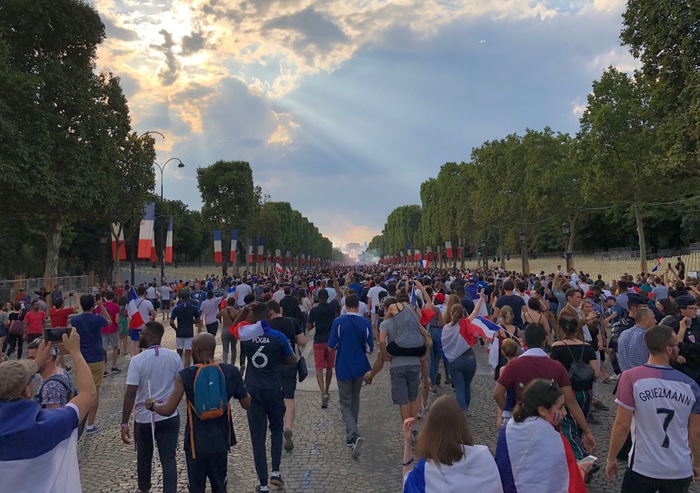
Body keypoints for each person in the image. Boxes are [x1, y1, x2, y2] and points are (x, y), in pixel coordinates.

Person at [148, 332, 251, 493]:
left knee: (196, 489)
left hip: (195, 446)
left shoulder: (186, 375)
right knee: (220, 487)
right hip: (221, 443)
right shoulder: (230, 371)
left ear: (195, 349)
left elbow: (168, 410)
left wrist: (153, 405)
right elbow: (246, 404)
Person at [0, 329, 96, 493]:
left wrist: (35, 364)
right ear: (27, 391)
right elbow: (88, 393)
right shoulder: (50, 425)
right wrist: (76, 352)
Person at [605, 324, 700, 491]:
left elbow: (622, 425)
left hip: (643, 467)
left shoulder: (631, 378)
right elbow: (696, 432)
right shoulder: (690, 385)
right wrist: (696, 463)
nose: (679, 348)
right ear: (668, 350)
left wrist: (611, 458)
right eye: (677, 345)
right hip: (679, 468)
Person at [493, 324, 596, 454]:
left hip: (522, 426)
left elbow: (497, 394)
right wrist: (586, 431)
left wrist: (515, 412)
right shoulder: (557, 367)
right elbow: (570, 400)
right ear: (545, 341)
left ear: (524, 342)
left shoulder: (513, 366)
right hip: (549, 426)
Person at [233, 302, 296, 493]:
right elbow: (292, 360)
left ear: (252, 317)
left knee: (257, 437)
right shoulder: (278, 337)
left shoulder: (246, 336)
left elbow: (233, 327)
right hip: (274, 387)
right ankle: (276, 472)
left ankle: (262, 484)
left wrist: (245, 311)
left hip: (253, 389)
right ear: (269, 314)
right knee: (276, 430)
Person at [495, 379, 591, 492]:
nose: (565, 412)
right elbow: (569, 484)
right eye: (560, 407)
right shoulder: (557, 441)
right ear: (542, 410)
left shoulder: (507, 430)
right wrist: (582, 470)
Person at [120, 322, 183, 493]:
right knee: (169, 459)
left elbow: (131, 392)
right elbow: (181, 385)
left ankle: (144, 489)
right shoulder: (175, 357)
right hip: (169, 416)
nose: (139, 336)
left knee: (144, 457)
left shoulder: (137, 360)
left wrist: (124, 423)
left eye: (142, 334)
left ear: (149, 337)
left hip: (145, 419)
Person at [402, 395, 503, 492]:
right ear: (462, 425)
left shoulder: (425, 470)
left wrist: (407, 442)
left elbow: (408, 485)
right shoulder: (484, 457)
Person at [328, 294, 373, 458]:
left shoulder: (338, 322)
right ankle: (351, 437)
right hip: (360, 366)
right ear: (359, 306)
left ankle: (353, 433)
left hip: (343, 366)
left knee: (345, 402)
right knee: (355, 400)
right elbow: (370, 348)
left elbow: (331, 346)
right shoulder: (365, 323)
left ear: (345, 305)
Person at [550, 318, 598, 457]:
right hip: (586, 392)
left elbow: (553, 371)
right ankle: (579, 449)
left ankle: (580, 457)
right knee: (580, 425)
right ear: (577, 330)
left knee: (568, 427)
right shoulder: (587, 347)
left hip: (566, 391)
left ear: (562, 330)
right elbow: (596, 373)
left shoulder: (557, 347)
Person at [267, 299, 306, 452]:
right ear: (279, 309)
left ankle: (277, 426)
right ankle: (288, 428)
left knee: (275, 398)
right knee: (289, 398)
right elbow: (302, 341)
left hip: (272, 366)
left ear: (270, 312)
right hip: (290, 364)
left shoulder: (267, 326)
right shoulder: (292, 321)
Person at [71, 294, 110, 434]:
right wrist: (101, 306)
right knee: (95, 391)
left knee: (82, 391)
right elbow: (109, 321)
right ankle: (90, 424)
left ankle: (80, 419)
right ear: (93, 304)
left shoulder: (75, 320)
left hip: (82, 358)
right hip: (96, 357)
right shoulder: (98, 318)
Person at [441, 296, 484, 416]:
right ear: (462, 313)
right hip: (469, 359)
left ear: (450, 312)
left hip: (454, 361)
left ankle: (462, 411)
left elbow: (444, 345)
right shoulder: (465, 323)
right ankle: (467, 408)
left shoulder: (446, 328)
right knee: (466, 385)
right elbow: (475, 311)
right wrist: (481, 299)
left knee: (459, 387)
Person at [307, 287, 340, 409]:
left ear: (318, 298)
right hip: (330, 341)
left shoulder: (314, 310)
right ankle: (327, 388)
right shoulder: (332, 306)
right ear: (327, 297)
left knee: (319, 368)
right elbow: (338, 294)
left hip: (319, 341)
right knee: (330, 367)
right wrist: (334, 278)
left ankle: (323, 392)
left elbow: (309, 327)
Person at [617, 306, 656, 372]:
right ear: (645, 320)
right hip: (643, 376)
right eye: (653, 318)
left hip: (625, 376)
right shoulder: (647, 336)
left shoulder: (623, 333)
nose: (656, 321)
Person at [170, 290, 202, 367]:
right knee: (188, 354)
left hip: (180, 331)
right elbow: (198, 320)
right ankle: (186, 369)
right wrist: (191, 322)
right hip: (189, 332)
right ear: (189, 298)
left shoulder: (176, 308)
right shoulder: (193, 308)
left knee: (179, 353)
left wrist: (176, 329)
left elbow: (171, 322)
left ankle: (178, 369)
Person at [127, 286, 156, 357]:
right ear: (145, 293)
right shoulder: (147, 302)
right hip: (144, 325)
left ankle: (134, 357)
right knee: (146, 342)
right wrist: (151, 317)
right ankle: (145, 357)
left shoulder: (132, 302)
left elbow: (129, 313)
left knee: (135, 342)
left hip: (134, 324)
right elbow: (153, 314)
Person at [102, 291, 121, 374]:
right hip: (113, 329)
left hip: (103, 329)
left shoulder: (101, 306)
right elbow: (116, 320)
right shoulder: (116, 306)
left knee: (104, 349)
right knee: (115, 347)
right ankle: (114, 365)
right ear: (113, 297)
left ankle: (104, 369)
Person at [217, 298, 239, 365]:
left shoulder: (223, 311)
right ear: (234, 303)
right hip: (233, 330)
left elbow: (217, 316)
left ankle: (225, 363)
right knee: (233, 348)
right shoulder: (236, 312)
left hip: (225, 329)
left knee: (225, 349)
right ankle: (232, 364)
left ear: (227, 303)